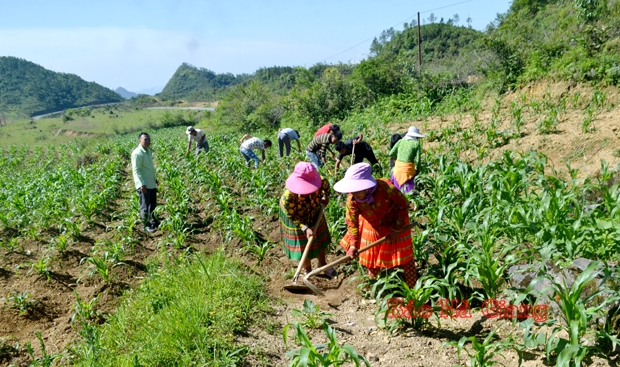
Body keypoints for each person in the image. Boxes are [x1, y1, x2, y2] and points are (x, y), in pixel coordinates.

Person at [334, 163, 417, 288]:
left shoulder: (386, 188)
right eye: (352, 190)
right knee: (371, 258)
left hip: (396, 220)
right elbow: (352, 223)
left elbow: (404, 204)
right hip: (373, 224)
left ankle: (413, 287)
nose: (354, 193)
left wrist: (398, 227)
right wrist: (353, 245)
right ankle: (373, 288)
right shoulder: (352, 199)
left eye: (357, 190)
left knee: (405, 257)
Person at [279, 162, 335, 277]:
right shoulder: (289, 196)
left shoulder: (322, 181)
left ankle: (322, 265)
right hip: (295, 217)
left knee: (319, 238)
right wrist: (305, 228)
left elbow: (327, 192)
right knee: (302, 244)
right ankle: (308, 270)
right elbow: (292, 216)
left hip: (314, 210)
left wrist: (326, 198)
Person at [131, 132, 158, 233]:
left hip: (151, 183)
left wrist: (154, 179)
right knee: (145, 206)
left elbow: (149, 167)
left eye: (148, 139)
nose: (147, 141)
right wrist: (141, 184)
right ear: (140, 141)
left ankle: (153, 221)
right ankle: (146, 225)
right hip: (144, 185)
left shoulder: (148, 151)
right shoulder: (137, 153)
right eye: (145, 139)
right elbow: (136, 170)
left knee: (153, 205)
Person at [389, 126, 424, 194]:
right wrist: (418, 171)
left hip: (397, 169)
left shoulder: (400, 141)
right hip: (408, 171)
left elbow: (391, 153)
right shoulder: (416, 144)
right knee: (411, 193)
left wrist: (396, 161)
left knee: (398, 192)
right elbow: (418, 160)